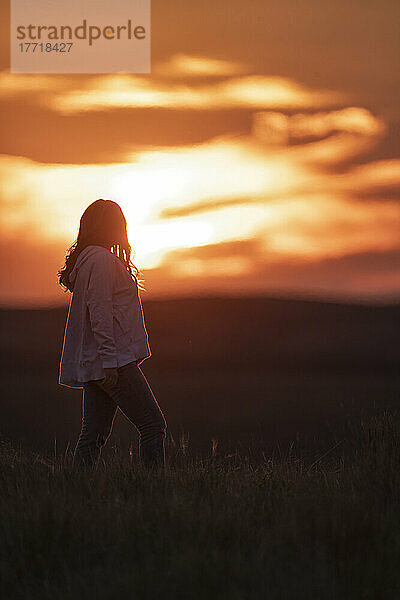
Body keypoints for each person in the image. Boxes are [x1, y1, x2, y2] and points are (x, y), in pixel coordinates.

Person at [58, 198, 167, 469]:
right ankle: (154, 492)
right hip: (113, 362)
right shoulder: (102, 261)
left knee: (93, 434)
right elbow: (100, 313)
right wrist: (109, 363)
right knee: (153, 425)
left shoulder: (91, 260)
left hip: (100, 360)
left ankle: (76, 490)